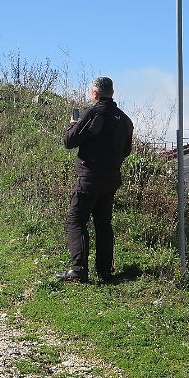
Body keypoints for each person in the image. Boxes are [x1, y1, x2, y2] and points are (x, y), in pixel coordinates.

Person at [59, 76, 134, 283]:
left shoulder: (92, 113)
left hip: (89, 178)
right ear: (112, 92)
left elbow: (69, 141)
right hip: (111, 179)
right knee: (103, 224)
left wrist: (72, 125)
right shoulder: (125, 120)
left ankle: (79, 269)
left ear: (95, 93)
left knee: (76, 221)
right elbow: (126, 151)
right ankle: (105, 271)